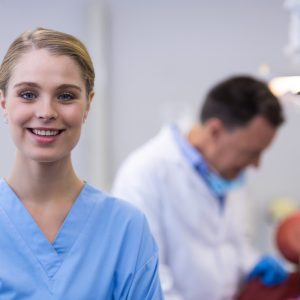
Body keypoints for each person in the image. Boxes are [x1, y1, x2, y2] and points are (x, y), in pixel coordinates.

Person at [0, 28, 163, 299]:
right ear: (4, 103)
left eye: (65, 96)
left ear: (88, 105)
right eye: (28, 94)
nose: (46, 112)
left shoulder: (125, 229)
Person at [112, 75, 287, 300]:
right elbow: (146, 285)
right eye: (251, 152)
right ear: (215, 131)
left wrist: (251, 262)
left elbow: (226, 247)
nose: (256, 164)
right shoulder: (144, 174)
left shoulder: (225, 175)